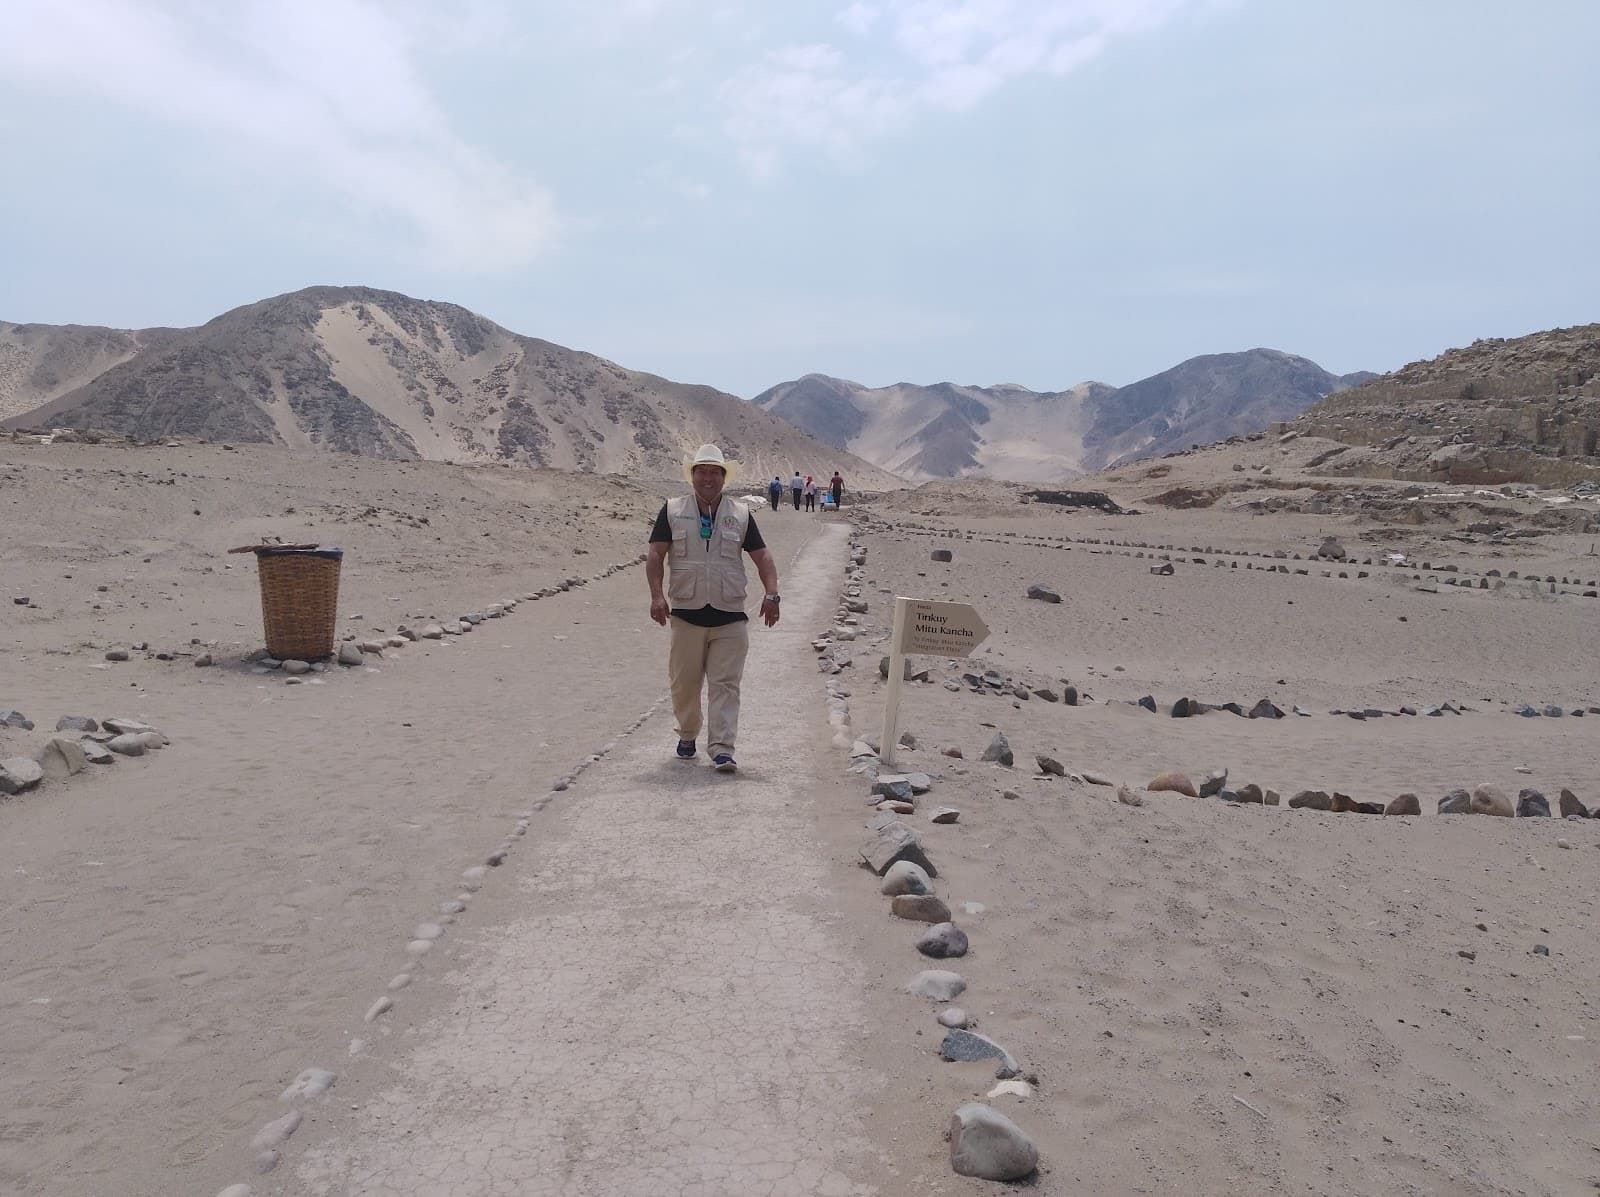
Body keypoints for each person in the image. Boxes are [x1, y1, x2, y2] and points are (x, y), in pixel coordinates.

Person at [646, 444, 781, 773]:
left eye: (715, 472)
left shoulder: (741, 514)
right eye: (702, 471)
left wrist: (772, 594)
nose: (708, 478)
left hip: (730, 615)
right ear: (692, 476)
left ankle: (722, 748)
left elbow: (762, 557)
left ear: (724, 477)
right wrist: (656, 596)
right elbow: (655, 555)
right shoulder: (673, 509)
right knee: (685, 683)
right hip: (687, 614)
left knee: (726, 684)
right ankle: (688, 732)